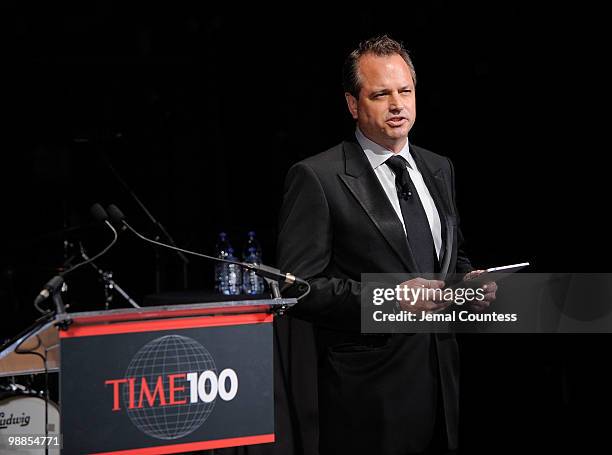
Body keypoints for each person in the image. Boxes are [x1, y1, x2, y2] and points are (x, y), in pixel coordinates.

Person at [277, 35, 496, 455]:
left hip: (440, 384)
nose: (397, 104)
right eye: (381, 94)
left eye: (405, 91)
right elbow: (297, 288)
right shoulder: (317, 177)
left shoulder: (438, 167)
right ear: (353, 104)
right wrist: (390, 298)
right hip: (369, 397)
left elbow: (451, 255)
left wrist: (468, 280)